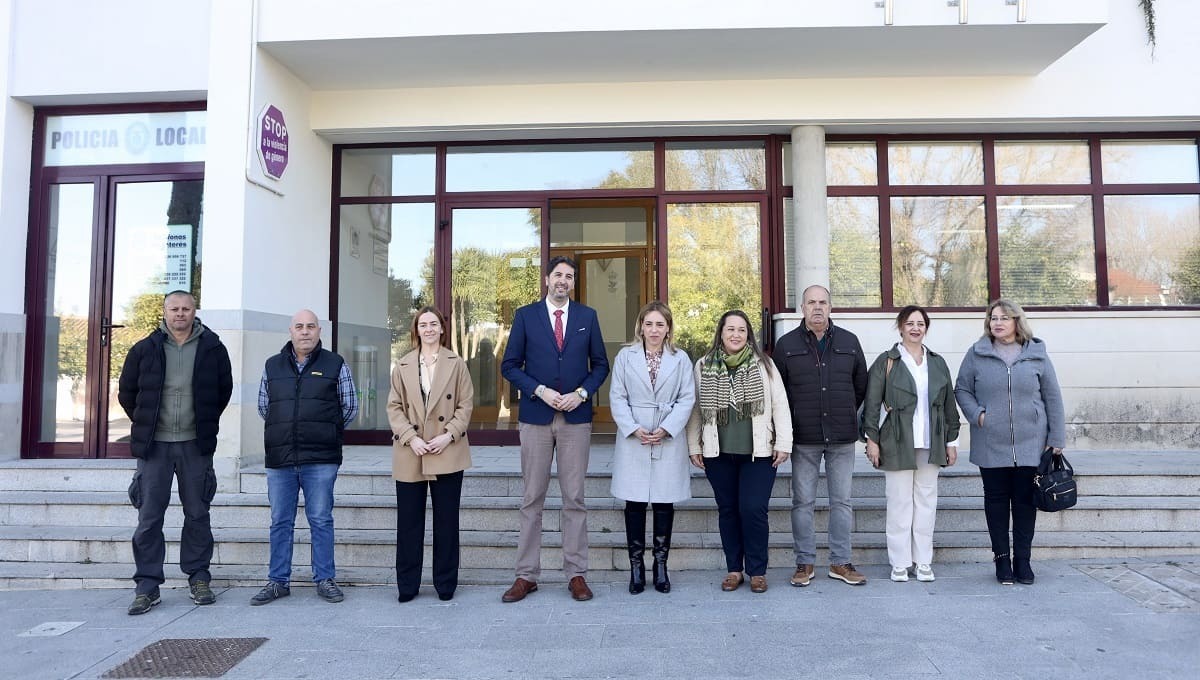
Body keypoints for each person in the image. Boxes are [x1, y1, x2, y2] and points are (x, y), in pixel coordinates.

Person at [499, 256, 609, 602]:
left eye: (569, 277)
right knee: (532, 497)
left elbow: (601, 365)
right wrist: (539, 390)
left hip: (575, 419)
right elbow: (510, 365)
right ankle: (526, 575)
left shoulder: (586, 317)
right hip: (536, 417)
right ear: (547, 279)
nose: (563, 280)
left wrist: (581, 394)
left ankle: (576, 573)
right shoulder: (526, 316)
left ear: (573, 283)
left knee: (574, 498)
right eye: (558, 275)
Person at [118, 290, 233, 615]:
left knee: (197, 513)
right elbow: (127, 392)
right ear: (165, 312)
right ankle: (147, 586)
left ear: (194, 311)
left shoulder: (212, 348)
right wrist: (147, 423)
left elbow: (223, 391)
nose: (180, 314)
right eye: (174, 309)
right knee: (149, 517)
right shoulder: (144, 349)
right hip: (154, 447)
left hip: (195, 445)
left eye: (186, 308)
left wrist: (202, 421)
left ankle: (198, 578)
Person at [955, 299, 1065, 586]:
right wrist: (978, 416)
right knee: (996, 503)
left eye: (1004, 317)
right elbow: (962, 389)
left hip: (1032, 444)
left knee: (1025, 504)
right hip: (991, 442)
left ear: (1017, 321)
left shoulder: (1036, 354)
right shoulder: (977, 353)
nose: (998, 322)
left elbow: (1052, 396)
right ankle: (1002, 561)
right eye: (993, 318)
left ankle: (1023, 562)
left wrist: (1056, 438)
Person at [251, 309, 358, 605]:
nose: (305, 331)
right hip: (281, 458)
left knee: (321, 519)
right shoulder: (272, 366)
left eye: (311, 326)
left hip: (321, 458)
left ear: (319, 331)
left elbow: (348, 407)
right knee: (279, 521)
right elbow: (265, 407)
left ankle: (324, 579)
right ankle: (277, 581)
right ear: (290, 331)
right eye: (299, 326)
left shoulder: (335, 364)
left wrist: (325, 431)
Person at [686, 310, 791, 594]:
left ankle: (757, 571)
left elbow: (780, 404)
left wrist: (784, 442)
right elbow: (696, 408)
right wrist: (694, 445)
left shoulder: (764, 365)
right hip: (718, 452)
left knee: (753, 509)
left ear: (748, 335)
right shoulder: (704, 365)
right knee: (729, 510)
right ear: (720, 332)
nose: (735, 334)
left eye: (741, 330)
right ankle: (734, 570)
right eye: (730, 329)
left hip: (758, 452)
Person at [773, 284, 868, 587]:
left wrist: (846, 412)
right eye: (811, 302)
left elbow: (861, 386)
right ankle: (805, 563)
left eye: (822, 302)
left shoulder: (849, 342)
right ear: (802, 308)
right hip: (804, 437)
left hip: (841, 436)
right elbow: (779, 393)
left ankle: (840, 562)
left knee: (842, 501)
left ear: (830, 306)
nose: (817, 307)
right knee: (802, 502)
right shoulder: (786, 345)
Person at [862, 305, 961, 583]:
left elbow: (949, 403)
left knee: (927, 502)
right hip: (895, 440)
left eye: (921, 323)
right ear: (901, 327)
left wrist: (952, 441)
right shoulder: (886, 361)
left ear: (926, 328)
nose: (915, 328)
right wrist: (872, 440)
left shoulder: (937, 362)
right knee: (899, 502)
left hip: (932, 441)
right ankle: (900, 562)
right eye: (910, 323)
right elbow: (871, 404)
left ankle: (923, 561)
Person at [386, 306, 474, 602]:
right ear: (416, 329)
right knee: (408, 523)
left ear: (441, 329)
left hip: (446, 449)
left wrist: (448, 435)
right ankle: (407, 586)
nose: (428, 329)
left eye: (433, 324)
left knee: (447, 521)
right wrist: (411, 438)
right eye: (423, 324)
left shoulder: (457, 363)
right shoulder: (403, 365)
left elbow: (465, 405)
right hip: (411, 451)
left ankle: (445, 584)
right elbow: (394, 408)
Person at [609, 301, 695, 594]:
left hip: (666, 436)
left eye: (660, 324)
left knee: (663, 502)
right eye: (649, 324)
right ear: (641, 327)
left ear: (668, 327)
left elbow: (687, 398)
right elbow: (617, 395)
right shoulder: (625, 356)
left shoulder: (681, 358)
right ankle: (636, 567)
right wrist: (633, 428)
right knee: (633, 503)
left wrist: (667, 428)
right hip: (634, 436)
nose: (654, 330)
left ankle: (660, 565)